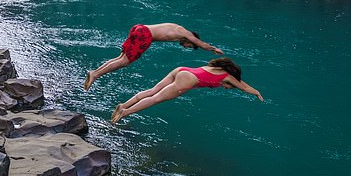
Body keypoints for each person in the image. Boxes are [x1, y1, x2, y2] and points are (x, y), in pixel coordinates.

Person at [110, 57, 263, 123]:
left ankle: (123, 105)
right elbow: (243, 86)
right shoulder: (227, 76)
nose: (226, 87)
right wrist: (257, 93)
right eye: (229, 86)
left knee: (152, 91)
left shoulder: (216, 68)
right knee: (155, 99)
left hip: (182, 70)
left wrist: (253, 90)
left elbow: (241, 82)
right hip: (187, 80)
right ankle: (125, 112)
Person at [84, 23, 224, 91]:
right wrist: (213, 49)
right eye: (189, 46)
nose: (185, 47)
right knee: (125, 62)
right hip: (145, 35)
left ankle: (94, 72)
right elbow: (200, 43)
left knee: (121, 57)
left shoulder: (179, 30)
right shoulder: (186, 33)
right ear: (191, 40)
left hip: (139, 28)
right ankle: (96, 75)